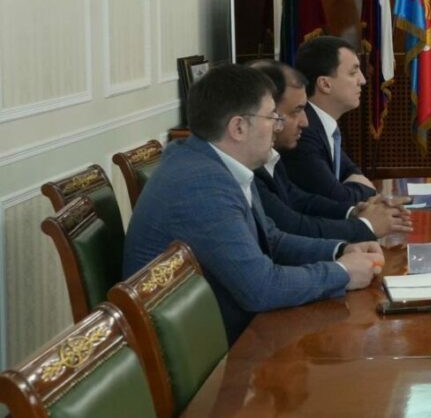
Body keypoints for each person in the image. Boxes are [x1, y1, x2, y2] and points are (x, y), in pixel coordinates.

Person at [123, 64, 383, 343]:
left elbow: (271, 239)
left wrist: (341, 250)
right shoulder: (202, 186)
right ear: (238, 127)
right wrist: (343, 273)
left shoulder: (217, 163)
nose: (278, 127)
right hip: (210, 347)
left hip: (232, 325)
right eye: (272, 117)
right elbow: (261, 288)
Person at [249, 60, 413, 240]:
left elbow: (299, 200)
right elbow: (293, 226)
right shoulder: (251, 163)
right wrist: (366, 225)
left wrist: (354, 211)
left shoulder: (271, 155)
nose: (305, 122)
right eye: (296, 111)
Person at [282, 36, 377, 207]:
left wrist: (356, 186)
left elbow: (352, 171)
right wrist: (364, 189)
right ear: (325, 84)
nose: (362, 80)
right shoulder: (303, 132)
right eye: (353, 72)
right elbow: (339, 199)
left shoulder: (323, 124)